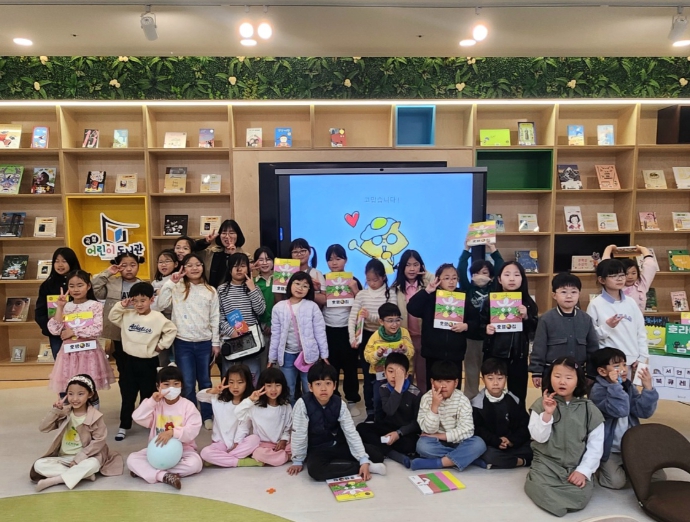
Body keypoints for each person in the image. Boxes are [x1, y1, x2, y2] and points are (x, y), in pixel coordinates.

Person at [524, 357, 604, 518]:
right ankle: (552, 498)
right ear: (550, 377)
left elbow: (596, 446)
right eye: (557, 376)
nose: (562, 382)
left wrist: (583, 471)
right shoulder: (540, 404)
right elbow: (538, 437)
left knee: (580, 496)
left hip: (575, 466)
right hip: (546, 464)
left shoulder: (589, 409)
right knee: (539, 488)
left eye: (568, 377)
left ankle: (560, 498)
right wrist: (547, 414)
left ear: (578, 380)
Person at [287, 361, 387, 481]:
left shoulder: (340, 403)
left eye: (328, 383)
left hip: (338, 443)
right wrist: (298, 460)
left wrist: (363, 458)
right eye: (318, 384)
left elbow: (350, 431)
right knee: (315, 470)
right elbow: (299, 434)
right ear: (310, 387)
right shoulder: (302, 404)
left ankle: (362, 463)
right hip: (317, 448)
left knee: (377, 455)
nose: (323, 388)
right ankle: (362, 467)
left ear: (334, 386)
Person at [156, 253, 220, 430]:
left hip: (205, 342)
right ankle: (192, 416)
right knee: (188, 382)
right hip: (182, 342)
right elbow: (160, 305)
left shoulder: (210, 290)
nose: (194, 268)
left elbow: (215, 317)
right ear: (183, 268)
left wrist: (215, 342)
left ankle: (207, 415)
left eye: (198, 264)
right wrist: (171, 282)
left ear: (203, 267)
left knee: (205, 381)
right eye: (189, 265)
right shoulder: (176, 287)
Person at [108, 282, 177, 441]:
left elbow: (171, 330)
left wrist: (161, 346)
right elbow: (112, 317)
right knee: (128, 394)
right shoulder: (127, 315)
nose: (139, 304)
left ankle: (149, 423)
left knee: (148, 395)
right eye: (135, 301)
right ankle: (124, 425)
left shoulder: (158, 317)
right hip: (129, 361)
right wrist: (121, 305)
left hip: (148, 362)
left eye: (143, 300)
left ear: (151, 300)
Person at [30, 374, 123, 491]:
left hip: (86, 457)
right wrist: (55, 411)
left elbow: (99, 441)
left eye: (80, 394)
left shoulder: (95, 416)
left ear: (90, 394)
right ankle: (83, 475)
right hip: (64, 458)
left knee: (93, 464)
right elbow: (43, 428)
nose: (74, 399)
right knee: (39, 464)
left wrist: (79, 458)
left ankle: (54, 480)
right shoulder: (64, 412)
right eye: (70, 394)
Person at [589, 347, 660, 489]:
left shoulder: (628, 386)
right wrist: (615, 386)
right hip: (609, 449)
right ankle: (599, 468)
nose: (623, 369)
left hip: (630, 446)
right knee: (616, 482)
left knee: (658, 477)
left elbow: (643, 412)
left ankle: (627, 467)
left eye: (624, 364)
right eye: (616, 366)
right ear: (602, 371)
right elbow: (620, 411)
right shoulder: (597, 390)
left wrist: (648, 389)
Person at [127, 366, 203, 490]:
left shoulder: (188, 406)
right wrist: (151, 402)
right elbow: (137, 417)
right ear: (158, 387)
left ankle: (149, 471)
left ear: (182, 386)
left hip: (183, 450)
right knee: (132, 459)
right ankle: (163, 476)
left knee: (195, 464)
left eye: (176, 384)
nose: (171, 388)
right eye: (166, 384)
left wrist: (172, 432)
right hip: (157, 449)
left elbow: (193, 429)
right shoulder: (155, 405)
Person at [407, 263, 476, 390]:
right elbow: (412, 308)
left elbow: (476, 320)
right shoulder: (430, 296)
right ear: (438, 279)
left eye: (454, 278)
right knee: (433, 388)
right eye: (447, 278)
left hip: (455, 353)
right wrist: (427, 291)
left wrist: (466, 326)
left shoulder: (463, 297)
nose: (451, 281)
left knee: (454, 388)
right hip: (433, 353)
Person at [48, 271, 115, 397]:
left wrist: (73, 331)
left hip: (89, 352)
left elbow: (97, 329)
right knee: (70, 386)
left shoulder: (95, 305)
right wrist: (60, 307)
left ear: (88, 286)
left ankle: (92, 410)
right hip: (69, 353)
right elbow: (55, 329)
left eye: (80, 285)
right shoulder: (66, 306)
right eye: (71, 286)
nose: (75, 289)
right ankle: (72, 409)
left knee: (90, 387)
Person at [411, 360, 486, 471]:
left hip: (459, 442)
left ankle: (439, 463)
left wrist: (439, 436)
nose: (443, 385)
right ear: (432, 382)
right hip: (437, 443)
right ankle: (468, 458)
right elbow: (428, 430)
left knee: (479, 444)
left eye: (448, 381)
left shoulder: (462, 400)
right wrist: (434, 406)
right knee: (422, 446)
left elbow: (467, 430)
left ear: (456, 383)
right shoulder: (426, 398)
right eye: (439, 381)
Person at [481, 261, 538, 404]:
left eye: (516, 275)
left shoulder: (528, 303)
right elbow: (478, 325)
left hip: (519, 356)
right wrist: (485, 328)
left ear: (522, 279)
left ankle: (517, 418)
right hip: (494, 354)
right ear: (499, 279)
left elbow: (534, 330)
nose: (512, 279)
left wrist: (526, 317)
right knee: (493, 393)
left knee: (518, 396)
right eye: (507, 275)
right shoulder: (490, 301)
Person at [268, 272, 328, 405]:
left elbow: (320, 332)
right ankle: (293, 414)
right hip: (287, 354)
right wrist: (271, 358)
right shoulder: (279, 307)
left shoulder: (312, 306)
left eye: (305, 286)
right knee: (289, 389)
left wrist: (324, 355)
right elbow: (276, 334)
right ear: (290, 285)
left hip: (308, 354)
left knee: (309, 388)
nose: (300, 288)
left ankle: (309, 413)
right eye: (297, 283)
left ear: (309, 290)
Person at [92, 252, 143, 407]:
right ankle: (127, 404)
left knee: (140, 370)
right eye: (124, 265)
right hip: (118, 333)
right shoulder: (111, 283)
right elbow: (94, 288)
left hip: (139, 334)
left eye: (133, 265)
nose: (129, 269)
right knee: (124, 371)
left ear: (138, 266)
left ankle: (144, 404)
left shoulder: (143, 285)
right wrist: (108, 272)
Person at [530, 273, 598, 387]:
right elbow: (539, 347)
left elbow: (593, 348)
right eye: (563, 292)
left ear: (579, 294)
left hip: (578, 372)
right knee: (551, 398)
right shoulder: (546, 319)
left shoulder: (586, 319)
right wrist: (537, 371)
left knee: (576, 398)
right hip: (551, 372)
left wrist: (591, 373)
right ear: (554, 295)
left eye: (574, 292)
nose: (569, 296)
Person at [348, 258, 396, 422]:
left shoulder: (390, 293)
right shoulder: (362, 294)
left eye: (375, 280)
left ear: (383, 277)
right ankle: (370, 410)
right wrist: (352, 338)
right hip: (367, 338)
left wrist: (371, 316)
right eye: (368, 280)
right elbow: (353, 318)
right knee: (369, 375)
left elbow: (391, 318)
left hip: (386, 337)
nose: (372, 283)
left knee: (386, 375)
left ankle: (386, 409)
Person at [356, 352, 421, 468]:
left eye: (399, 373)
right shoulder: (384, 388)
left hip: (404, 432)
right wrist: (397, 389)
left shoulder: (416, 393)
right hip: (387, 428)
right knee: (361, 428)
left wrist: (399, 433)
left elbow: (417, 423)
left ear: (406, 375)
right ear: (385, 373)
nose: (394, 376)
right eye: (390, 371)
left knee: (412, 445)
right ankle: (392, 453)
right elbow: (389, 411)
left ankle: (381, 449)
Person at [457, 241, 504, 400]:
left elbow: (500, 266)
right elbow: (461, 269)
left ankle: (491, 399)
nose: (480, 276)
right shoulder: (467, 288)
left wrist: (493, 249)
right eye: (476, 273)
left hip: (490, 338)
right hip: (471, 338)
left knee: (491, 372)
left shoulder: (494, 289)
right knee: (471, 371)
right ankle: (470, 400)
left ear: (491, 276)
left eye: (484, 272)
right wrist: (466, 249)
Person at [586, 259, 648, 371]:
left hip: (632, 361)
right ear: (601, 280)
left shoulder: (631, 302)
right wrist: (607, 327)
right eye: (613, 276)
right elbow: (591, 336)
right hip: (609, 363)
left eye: (622, 275)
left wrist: (642, 356)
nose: (619, 279)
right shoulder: (595, 304)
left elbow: (641, 331)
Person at [198, 364, 264, 468]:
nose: (235, 387)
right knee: (205, 453)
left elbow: (244, 426)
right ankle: (240, 462)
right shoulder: (218, 398)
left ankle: (220, 459)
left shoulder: (249, 402)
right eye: (231, 382)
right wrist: (212, 391)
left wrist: (237, 443)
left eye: (240, 382)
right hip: (220, 443)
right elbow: (199, 396)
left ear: (247, 383)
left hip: (239, 443)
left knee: (255, 439)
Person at [471, 358, 532, 469]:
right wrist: (496, 441)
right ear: (483, 379)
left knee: (536, 447)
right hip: (491, 445)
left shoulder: (514, 400)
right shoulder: (477, 403)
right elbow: (477, 430)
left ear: (506, 379)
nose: (495, 383)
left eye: (500, 378)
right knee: (486, 452)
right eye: (490, 378)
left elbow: (525, 425)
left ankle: (504, 462)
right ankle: (521, 461)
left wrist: (512, 441)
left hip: (512, 444)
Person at [323, 244, 362, 414]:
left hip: (348, 330)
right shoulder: (323, 280)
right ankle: (333, 400)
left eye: (338, 258)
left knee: (350, 366)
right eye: (330, 259)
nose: (334, 262)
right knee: (331, 366)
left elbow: (362, 305)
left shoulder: (353, 280)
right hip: (328, 329)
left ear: (345, 260)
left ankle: (352, 399)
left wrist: (355, 290)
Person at [218, 253, 267, 380]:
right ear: (230, 270)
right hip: (231, 338)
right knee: (230, 377)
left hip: (251, 339)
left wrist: (252, 289)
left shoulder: (254, 287)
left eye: (243, 266)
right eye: (235, 266)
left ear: (248, 269)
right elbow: (218, 316)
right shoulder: (222, 290)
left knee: (252, 377)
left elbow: (260, 310)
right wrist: (231, 332)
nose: (239, 269)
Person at [363, 303, 414, 419]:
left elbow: (411, 352)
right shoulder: (376, 336)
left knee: (404, 398)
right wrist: (378, 354)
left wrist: (405, 350)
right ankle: (379, 422)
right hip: (381, 376)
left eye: (397, 320)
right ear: (381, 321)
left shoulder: (404, 333)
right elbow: (367, 356)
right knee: (378, 400)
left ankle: (403, 421)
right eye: (390, 320)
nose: (394, 324)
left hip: (403, 374)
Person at [391, 249, 432, 393]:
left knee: (423, 376)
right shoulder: (395, 289)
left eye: (416, 265)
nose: (412, 269)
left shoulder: (428, 286)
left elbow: (440, 280)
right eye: (408, 265)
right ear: (402, 267)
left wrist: (426, 274)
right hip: (404, 338)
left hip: (424, 338)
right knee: (405, 375)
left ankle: (422, 403)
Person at [235, 368, 293, 467]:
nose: (273, 390)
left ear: (283, 386)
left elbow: (288, 428)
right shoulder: (255, 406)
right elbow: (238, 413)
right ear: (262, 386)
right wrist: (250, 400)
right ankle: (286, 457)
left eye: (277, 385)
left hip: (281, 444)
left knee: (300, 445)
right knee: (258, 453)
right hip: (262, 445)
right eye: (269, 386)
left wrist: (284, 440)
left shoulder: (286, 406)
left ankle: (279, 456)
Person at [35, 247, 81, 359]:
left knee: (82, 364)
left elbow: (91, 306)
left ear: (71, 262)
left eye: (64, 261)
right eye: (56, 261)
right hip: (57, 335)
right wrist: (53, 329)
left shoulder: (82, 282)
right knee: (61, 365)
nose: (60, 265)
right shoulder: (47, 285)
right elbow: (40, 312)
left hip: (79, 333)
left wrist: (78, 329)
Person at [601, 244, 657, 312]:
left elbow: (650, 266)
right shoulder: (615, 286)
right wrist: (609, 249)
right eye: (626, 274)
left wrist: (643, 249)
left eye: (633, 273)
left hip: (637, 318)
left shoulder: (641, 284)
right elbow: (605, 267)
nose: (630, 277)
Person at [193, 219, 248, 288]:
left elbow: (243, 276)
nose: (227, 236)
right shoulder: (211, 252)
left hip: (233, 293)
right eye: (224, 233)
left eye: (231, 233)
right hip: (210, 292)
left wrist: (234, 256)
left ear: (238, 235)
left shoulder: (246, 257)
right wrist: (205, 242)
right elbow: (192, 249)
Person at [151, 249, 179, 366]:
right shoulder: (155, 282)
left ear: (176, 264)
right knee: (162, 350)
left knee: (177, 349)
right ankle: (163, 372)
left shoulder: (178, 279)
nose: (163, 265)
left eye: (167, 261)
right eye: (160, 262)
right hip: (159, 318)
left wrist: (161, 292)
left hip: (175, 317)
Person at [253, 246, 279, 369]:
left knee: (277, 364)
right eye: (260, 259)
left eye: (268, 259)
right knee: (261, 363)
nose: (264, 263)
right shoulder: (252, 282)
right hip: (259, 327)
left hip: (278, 325)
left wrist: (272, 323)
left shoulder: (281, 280)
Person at [290, 238, 327, 307]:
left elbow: (324, 300)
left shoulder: (316, 273)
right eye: (295, 252)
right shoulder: (287, 273)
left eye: (303, 251)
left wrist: (312, 290)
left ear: (309, 252)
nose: (299, 254)